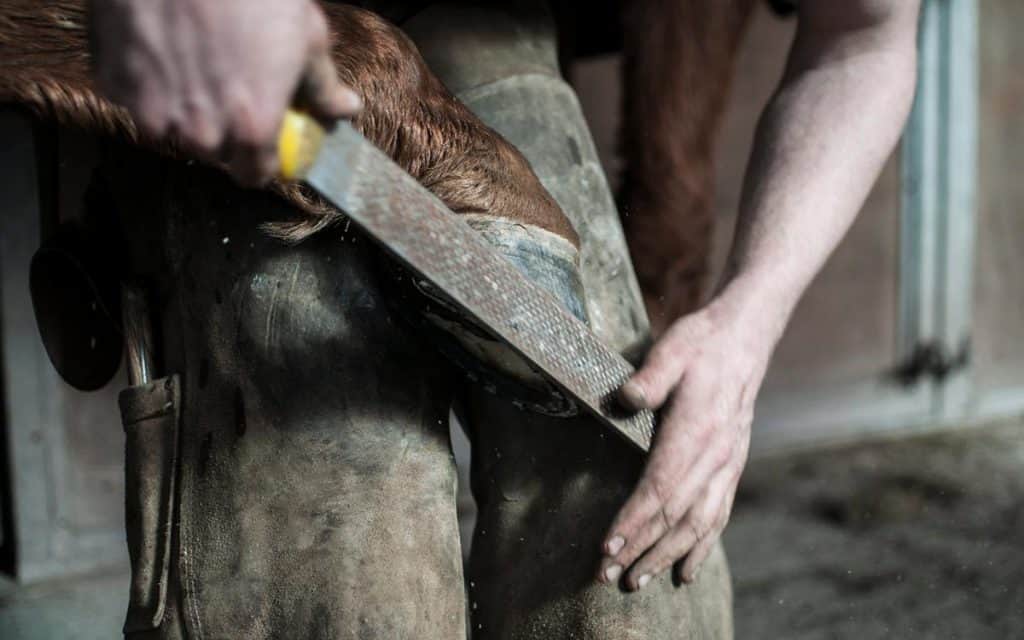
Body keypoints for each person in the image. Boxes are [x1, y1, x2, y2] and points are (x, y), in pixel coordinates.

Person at [80, 0, 920, 635]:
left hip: (484, 17)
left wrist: (750, 319)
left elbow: (863, 39)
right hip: (235, 44)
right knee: (338, 561)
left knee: (632, 539)